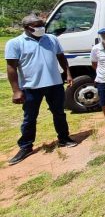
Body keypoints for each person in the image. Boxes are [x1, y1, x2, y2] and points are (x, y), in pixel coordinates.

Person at [5, 15, 78, 165]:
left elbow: (61, 57)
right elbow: (11, 68)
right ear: (27, 28)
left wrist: (68, 73)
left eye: (42, 25)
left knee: (59, 113)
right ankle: (25, 146)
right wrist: (16, 90)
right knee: (30, 118)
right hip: (31, 87)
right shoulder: (15, 43)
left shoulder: (51, 39)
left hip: (55, 84)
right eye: (37, 26)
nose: (41, 28)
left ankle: (64, 138)